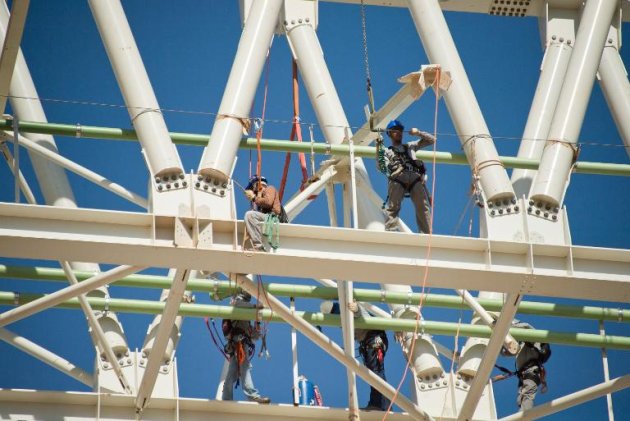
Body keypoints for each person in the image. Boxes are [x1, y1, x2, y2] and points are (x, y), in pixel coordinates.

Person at [321, 301, 390, 411]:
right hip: (368, 341)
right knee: (373, 373)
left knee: (375, 371)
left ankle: (381, 404)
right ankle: (378, 403)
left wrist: (357, 309)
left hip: (374, 338)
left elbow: (364, 315)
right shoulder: (340, 317)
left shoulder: (340, 311)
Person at [378, 119, 435, 233]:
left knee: (423, 206)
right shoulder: (386, 151)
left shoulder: (410, 146)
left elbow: (432, 140)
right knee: (393, 207)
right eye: (395, 130)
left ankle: (426, 234)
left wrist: (418, 132)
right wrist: (378, 147)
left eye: (400, 130)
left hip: (414, 177)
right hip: (397, 178)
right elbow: (381, 167)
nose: (398, 132)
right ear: (389, 133)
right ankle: (391, 231)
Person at [221, 291, 270, 404]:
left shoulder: (245, 317)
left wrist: (257, 322)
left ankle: (228, 398)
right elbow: (238, 304)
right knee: (241, 370)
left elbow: (255, 336)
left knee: (238, 371)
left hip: (242, 345)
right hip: (236, 345)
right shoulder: (235, 306)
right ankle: (246, 397)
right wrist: (254, 307)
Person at [512, 320, 551, 411]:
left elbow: (525, 326)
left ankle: (524, 417)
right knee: (521, 400)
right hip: (525, 374)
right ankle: (522, 415)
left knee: (526, 397)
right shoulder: (520, 345)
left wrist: (508, 326)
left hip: (531, 372)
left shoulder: (532, 335)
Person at [243, 175, 284, 251]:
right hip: (268, 218)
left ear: (256, 185)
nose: (253, 191)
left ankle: (258, 246)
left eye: (253, 189)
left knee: (250, 215)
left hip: (272, 218)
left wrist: (254, 198)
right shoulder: (261, 197)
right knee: (252, 215)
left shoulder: (269, 189)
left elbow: (268, 202)